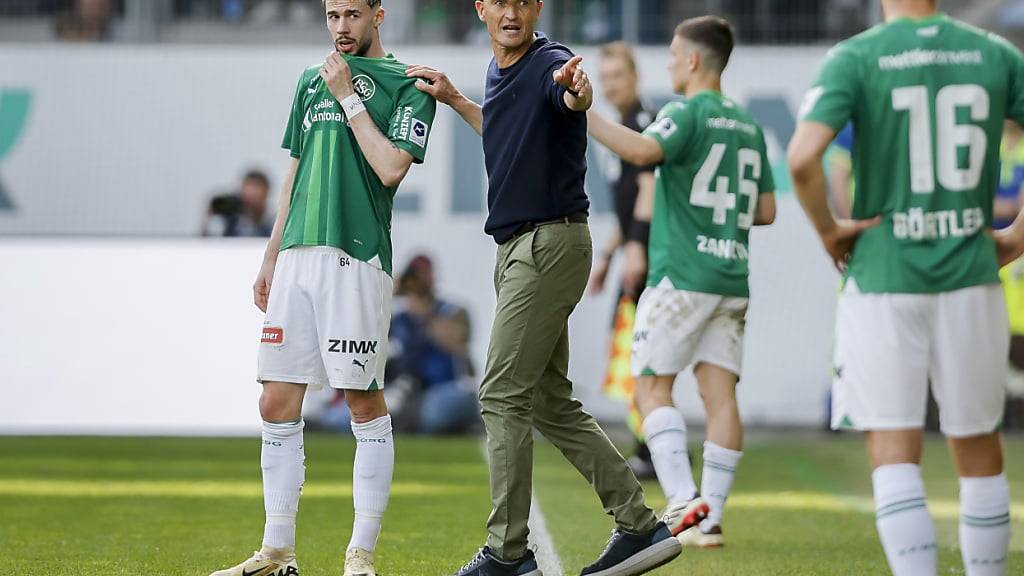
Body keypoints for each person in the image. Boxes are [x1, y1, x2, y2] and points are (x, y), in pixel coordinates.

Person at [407, 1, 682, 575]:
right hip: (525, 249)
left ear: (536, 7)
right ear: (481, 7)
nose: (511, 12)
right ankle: (639, 525)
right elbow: (505, 133)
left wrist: (579, 93)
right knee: (550, 402)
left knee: (501, 394)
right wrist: (458, 100)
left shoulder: (551, 63)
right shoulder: (498, 72)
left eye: (522, 1)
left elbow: (571, 97)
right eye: (499, 1)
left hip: (545, 247)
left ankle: (508, 555)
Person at [788, 1, 1020, 574]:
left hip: (885, 277)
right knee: (978, 446)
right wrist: (1016, 235)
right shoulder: (995, 54)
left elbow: (801, 159)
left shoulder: (857, 57)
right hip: (971, 273)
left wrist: (828, 231)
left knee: (894, 451)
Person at [208, 1, 436, 575]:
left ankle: (360, 556)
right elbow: (296, 169)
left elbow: (390, 169)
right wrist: (271, 255)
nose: (340, 27)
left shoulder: (408, 84)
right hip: (298, 257)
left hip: (356, 259)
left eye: (352, 14)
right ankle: (277, 552)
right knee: (276, 400)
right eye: (332, 15)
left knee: (362, 401)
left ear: (378, 15)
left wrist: (350, 97)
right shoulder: (310, 80)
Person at [588, 16, 777, 549]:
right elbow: (765, 210)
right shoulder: (747, 124)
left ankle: (680, 501)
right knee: (720, 398)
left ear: (693, 60)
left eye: (673, 54)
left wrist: (583, 117)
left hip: (682, 274)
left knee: (650, 386)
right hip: (730, 275)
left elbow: (645, 153)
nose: (668, 63)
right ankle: (710, 516)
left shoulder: (685, 112)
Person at [589, 42, 660, 480]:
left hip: (649, 257)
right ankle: (649, 447)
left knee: (642, 353)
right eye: (606, 76)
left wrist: (636, 248)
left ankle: (651, 451)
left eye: (618, 75)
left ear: (635, 76)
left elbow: (650, 191)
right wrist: (609, 253)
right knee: (633, 353)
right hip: (636, 250)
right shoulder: (624, 125)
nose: (612, 84)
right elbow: (628, 203)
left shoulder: (643, 123)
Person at [389, 255, 479, 434]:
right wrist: (386, 294)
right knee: (349, 415)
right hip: (410, 391)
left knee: (431, 413)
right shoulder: (399, 319)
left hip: (448, 388)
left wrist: (424, 310)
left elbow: (457, 342)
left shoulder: (453, 311)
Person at [202, 169, 275, 237]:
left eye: (256, 188)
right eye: (248, 188)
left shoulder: (273, 223)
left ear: (266, 192)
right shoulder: (231, 219)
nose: (251, 194)